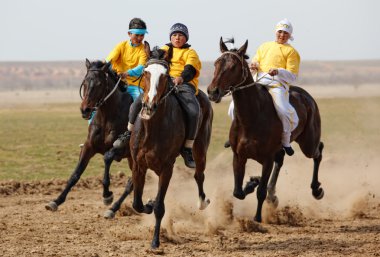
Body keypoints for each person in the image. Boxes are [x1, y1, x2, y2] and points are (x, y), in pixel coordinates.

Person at [114, 23, 201, 169]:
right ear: (170, 37)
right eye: (174, 35)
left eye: (180, 35)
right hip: (164, 81)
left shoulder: (190, 53)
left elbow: (190, 69)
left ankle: (187, 148)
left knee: (193, 112)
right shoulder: (165, 49)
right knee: (137, 103)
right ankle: (128, 133)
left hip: (184, 84)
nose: (177, 38)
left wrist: (181, 78)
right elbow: (154, 59)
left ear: (185, 38)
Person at [228, 18, 300, 156]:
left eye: (285, 33)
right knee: (232, 107)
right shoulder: (264, 46)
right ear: (275, 32)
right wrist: (253, 65)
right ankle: (237, 133)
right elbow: (255, 61)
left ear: (289, 35)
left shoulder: (291, 52)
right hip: (258, 81)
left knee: (284, 111)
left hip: (277, 85)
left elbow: (293, 76)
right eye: (280, 32)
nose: (282, 35)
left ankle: (285, 141)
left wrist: (278, 71)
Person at [107, 18, 148, 147]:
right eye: (137, 35)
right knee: (99, 102)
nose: (140, 38)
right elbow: (110, 59)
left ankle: (141, 135)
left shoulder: (143, 50)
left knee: (142, 105)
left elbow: (142, 67)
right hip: (118, 83)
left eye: (142, 35)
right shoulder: (121, 46)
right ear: (129, 34)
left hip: (135, 85)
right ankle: (93, 133)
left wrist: (128, 73)